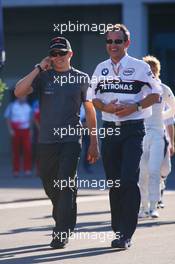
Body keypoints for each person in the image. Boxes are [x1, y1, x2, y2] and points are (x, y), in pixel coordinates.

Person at [15, 36, 99, 249]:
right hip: (46, 142)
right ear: (49, 57)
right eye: (54, 54)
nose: (58, 57)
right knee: (50, 185)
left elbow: (90, 111)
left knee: (65, 182)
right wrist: (38, 68)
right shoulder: (44, 77)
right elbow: (18, 91)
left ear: (71, 54)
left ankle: (61, 231)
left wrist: (94, 142)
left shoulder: (81, 78)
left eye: (62, 53)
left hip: (71, 140)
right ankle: (66, 213)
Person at [91, 24, 161, 249]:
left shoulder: (140, 67)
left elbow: (156, 93)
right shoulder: (100, 68)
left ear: (127, 43)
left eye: (117, 41)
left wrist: (135, 106)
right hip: (110, 128)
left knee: (129, 179)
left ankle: (125, 233)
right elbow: (93, 99)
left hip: (133, 128)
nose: (113, 45)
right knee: (114, 181)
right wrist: (107, 108)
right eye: (109, 41)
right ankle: (118, 227)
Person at [139, 56, 175, 218]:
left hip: (158, 134)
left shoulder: (164, 89)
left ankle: (153, 206)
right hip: (141, 134)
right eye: (148, 70)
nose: (151, 73)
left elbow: (173, 107)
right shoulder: (137, 88)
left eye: (154, 70)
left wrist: (163, 115)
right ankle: (143, 206)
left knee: (155, 170)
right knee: (142, 173)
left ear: (158, 71)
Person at [4, 96, 32, 177]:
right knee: (15, 151)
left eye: (25, 97)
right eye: (23, 97)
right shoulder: (12, 106)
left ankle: (27, 169)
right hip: (15, 130)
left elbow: (31, 118)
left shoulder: (28, 106)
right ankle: (16, 170)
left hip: (26, 130)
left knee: (27, 150)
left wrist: (30, 130)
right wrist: (10, 130)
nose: (25, 98)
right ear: (19, 97)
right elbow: (7, 118)